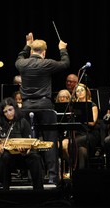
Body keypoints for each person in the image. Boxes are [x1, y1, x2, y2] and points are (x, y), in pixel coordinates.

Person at [15, 32, 70, 184]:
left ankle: (34, 179)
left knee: (30, 143)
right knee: (50, 142)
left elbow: (20, 56)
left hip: (26, 108)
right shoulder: (46, 63)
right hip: (45, 107)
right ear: (44, 53)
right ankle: (53, 178)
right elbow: (65, 63)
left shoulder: (22, 64)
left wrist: (27, 44)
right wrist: (62, 49)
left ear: (32, 51)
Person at [0, 97, 44, 192]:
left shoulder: (23, 122)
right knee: (5, 157)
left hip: (22, 156)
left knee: (35, 158)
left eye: (10, 110)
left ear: (15, 108)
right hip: (6, 157)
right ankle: (5, 192)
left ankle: (39, 191)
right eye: (5, 112)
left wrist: (24, 150)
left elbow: (29, 143)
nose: (8, 113)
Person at [74, 83, 100, 169]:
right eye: (77, 91)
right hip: (78, 134)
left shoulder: (92, 105)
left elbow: (92, 123)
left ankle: (74, 169)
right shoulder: (74, 106)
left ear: (86, 92)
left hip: (90, 134)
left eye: (82, 90)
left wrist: (80, 118)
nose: (80, 92)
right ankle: (80, 174)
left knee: (72, 143)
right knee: (82, 151)